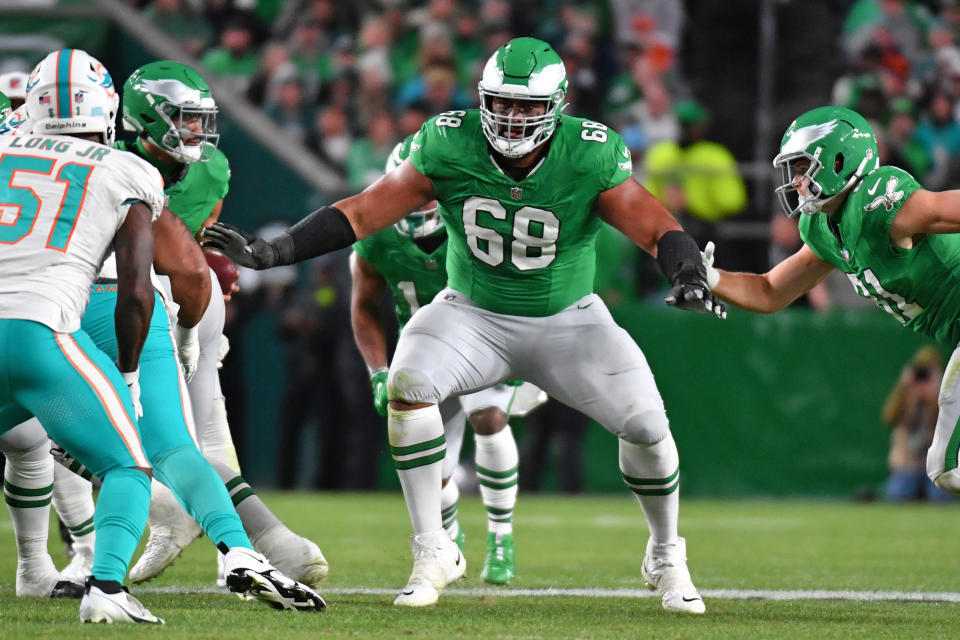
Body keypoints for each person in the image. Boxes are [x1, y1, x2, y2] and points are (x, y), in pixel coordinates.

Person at [204, 36, 724, 613]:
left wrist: (687, 273)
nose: (513, 116)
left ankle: (665, 552)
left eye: (528, 106)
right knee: (408, 385)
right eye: (502, 103)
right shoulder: (449, 142)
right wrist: (276, 252)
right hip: (472, 312)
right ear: (482, 99)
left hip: (567, 319)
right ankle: (434, 549)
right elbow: (363, 210)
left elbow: (654, 225)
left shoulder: (589, 152)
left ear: (556, 107)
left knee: (649, 425)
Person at [0, 50, 324, 617]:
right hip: (99, 306)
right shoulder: (127, 168)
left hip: (33, 310)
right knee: (160, 450)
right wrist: (181, 343)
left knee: (36, 444)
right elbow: (183, 274)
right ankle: (221, 553)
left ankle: (65, 557)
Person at [111, 60, 329, 588]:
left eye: (198, 120)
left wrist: (199, 288)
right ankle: (270, 544)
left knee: (85, 432)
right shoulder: (178, 168)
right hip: (184, 298)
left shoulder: (119, 167)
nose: (195, 132)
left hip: (145, 304)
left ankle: (167, 514)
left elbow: (186, 249)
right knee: (205, 435)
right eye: (183, 120)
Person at [701, 104, 960, 498]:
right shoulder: (822, 228)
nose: (797, 182)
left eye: (804, 168)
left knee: (946, 466)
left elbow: (946, 208)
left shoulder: (878, 202)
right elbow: (771, 291)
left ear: (840, 159)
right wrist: (710, 278)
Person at [0, 47, 162, 623]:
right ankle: (108, 590)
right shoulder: (127, 169)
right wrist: (130, 374)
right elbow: (137, 290)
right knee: (127, 466)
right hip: (42, 332)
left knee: (26, 446)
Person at [350, 135, 525, 584]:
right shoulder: (377, 239)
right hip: (426, 352)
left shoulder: (477, 221)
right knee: (435, 468)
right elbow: (364, 307)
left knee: (488, 417)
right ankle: (448, 538)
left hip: (485, 337)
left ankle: (501, 538)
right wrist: (378, 371)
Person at [881, 346, 953, 501]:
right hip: (908, 462)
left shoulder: (946, 393)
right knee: (899, 494)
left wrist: (936, 395)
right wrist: (903, 387)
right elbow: (888, 416)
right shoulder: (905, 394)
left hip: (937, 465)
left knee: (941, 497)